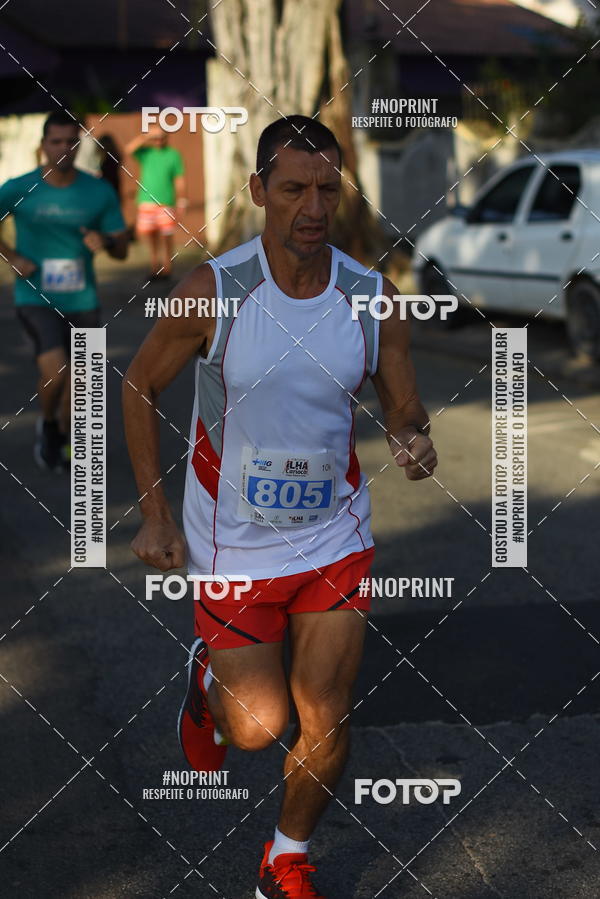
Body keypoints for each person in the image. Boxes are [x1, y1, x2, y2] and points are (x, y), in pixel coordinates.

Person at [122, 115, 438, 899]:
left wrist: (412, 435)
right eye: (294, 188)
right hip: (233, 542)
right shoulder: (214, 291)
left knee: (326, 713)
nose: (313, 207)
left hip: (334, 536)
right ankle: (207, 682)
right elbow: (138, 385)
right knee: (257, 726)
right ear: (259, 190)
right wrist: (155, 512)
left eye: (328, 188)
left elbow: (403, 404)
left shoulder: (373, 300)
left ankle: (285, 858)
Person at [0, 109, 128, 472]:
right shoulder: (19, 187)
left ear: (78, 145)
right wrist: (11, 256)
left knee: (81, 380)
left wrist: (105, 241)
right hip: (35, 296)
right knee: (57, 371)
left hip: (82, 299)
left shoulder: (98, 191)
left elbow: (121, 249)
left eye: (71, 142)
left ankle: (69, 440)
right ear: (43, 145)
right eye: (55, 142)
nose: (63, 149)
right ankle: (49, 424)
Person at [125, 125, 187, 280]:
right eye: (156, 138)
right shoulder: (146, 153)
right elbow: (129, 149)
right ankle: (154, 268)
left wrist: (182, 200)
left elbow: (179, 179)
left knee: (167, 236)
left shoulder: (173, 155)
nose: (158, 141)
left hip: (166, 202)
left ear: (167, 138)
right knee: (151, 236)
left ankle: (167, 268)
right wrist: (146, 136)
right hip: (146, 201)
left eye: (161, 137)